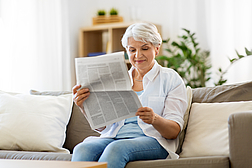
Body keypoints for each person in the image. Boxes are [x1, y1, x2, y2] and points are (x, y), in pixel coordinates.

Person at [71, 22, 188, 168]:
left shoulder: (170, 78)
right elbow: (103, 127)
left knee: (116, 149)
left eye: (144, 48)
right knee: (82, 148)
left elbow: (173, 132)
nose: (138, 55)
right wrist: (84, 107)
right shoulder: (117, 79)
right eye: (132, 50)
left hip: (153, 140)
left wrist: (154, 119)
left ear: (157, 49)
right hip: (114, 137)